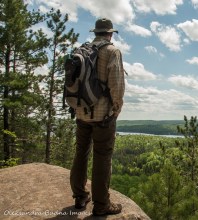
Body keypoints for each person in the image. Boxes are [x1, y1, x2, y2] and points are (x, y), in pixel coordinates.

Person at [70, 18, 125, 216]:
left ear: (96, 33)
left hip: (81, 111)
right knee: (102, 157)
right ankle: (102, 204)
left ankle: (80, 197)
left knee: (81, 152)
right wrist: (116, 110)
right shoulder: (112, 52)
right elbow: (117, 87)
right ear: (110, 34)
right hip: (103, 116)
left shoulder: (81, 51)